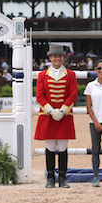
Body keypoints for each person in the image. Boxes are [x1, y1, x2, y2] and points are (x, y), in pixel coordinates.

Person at [34, 45, 78, 188]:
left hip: (64, 116)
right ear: (50, 58)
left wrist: (63, 110)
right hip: (48, 115)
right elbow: (40, 95)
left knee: (63, 147)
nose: (57, 59)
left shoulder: (71, 74)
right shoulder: (42, 75)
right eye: (54, 56)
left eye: (59, 56)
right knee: (51, 147)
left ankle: (63, 178)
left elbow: (73, 94)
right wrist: (51, 110)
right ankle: (51, 178)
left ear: (63, 58)